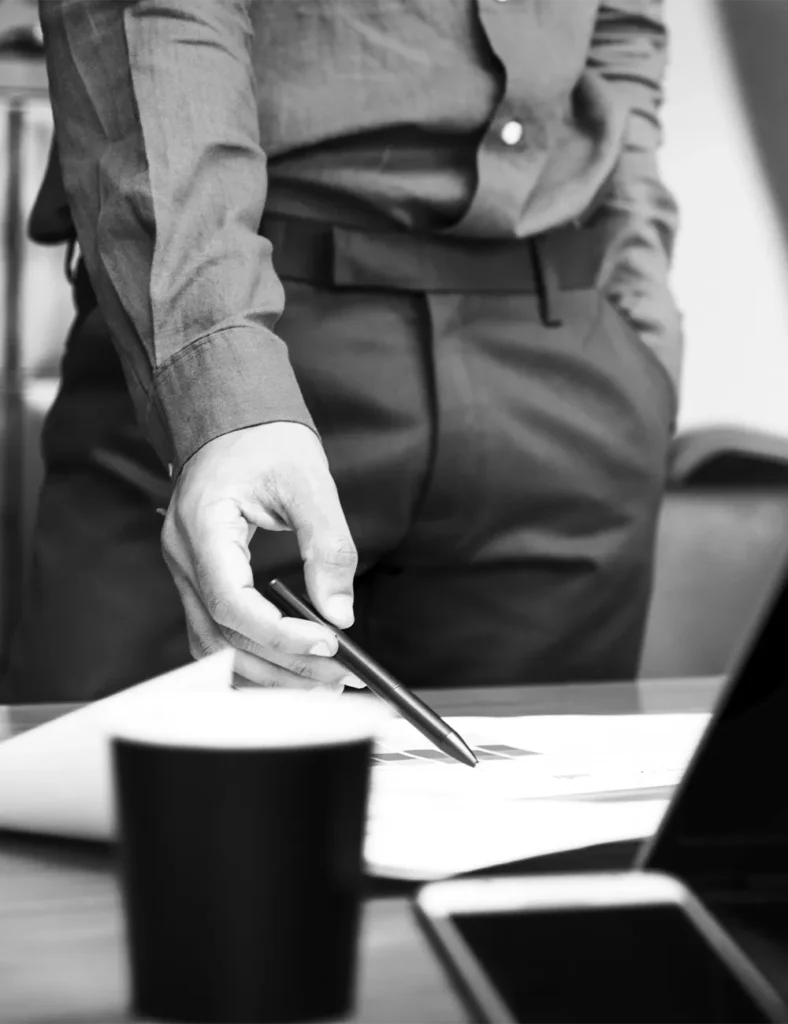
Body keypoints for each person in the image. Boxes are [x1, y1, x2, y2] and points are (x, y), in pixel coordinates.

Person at [1, 0, 681, 703]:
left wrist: (640, 324)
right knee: (105, 795)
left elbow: (623, 32)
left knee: (546, 807)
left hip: (559, 363)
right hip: (253, 328)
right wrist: (219, 383)